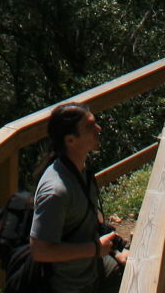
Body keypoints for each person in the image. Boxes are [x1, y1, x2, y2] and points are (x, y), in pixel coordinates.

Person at [31, 102, 127, 293]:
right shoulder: (56, 191)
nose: (98, 129)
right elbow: (40, 250)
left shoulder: (81, 169)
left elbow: (88, 222)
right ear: (70, 140)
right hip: (70, 286)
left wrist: (117, 250)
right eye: (90, 126)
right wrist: (95, 249)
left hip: (94, 269)